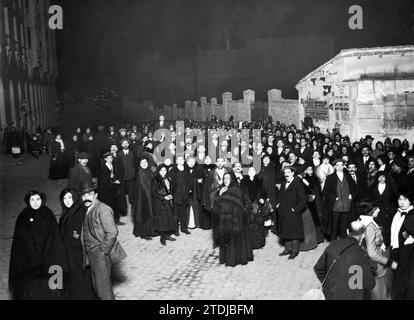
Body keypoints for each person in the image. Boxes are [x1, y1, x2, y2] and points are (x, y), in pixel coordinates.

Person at [9, 191, 68, 300]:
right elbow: (21, 242)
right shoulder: (23, 216)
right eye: (32, 199)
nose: (35, 202)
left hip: (48, 261)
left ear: (42, 201)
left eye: (38, 199)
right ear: (28, 201)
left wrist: (46, 253)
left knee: (49, 291)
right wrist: (34, 255)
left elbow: (54, 238)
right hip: (30, 263)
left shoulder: (48, 214)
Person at [81, 181, 127, 300]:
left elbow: (112, 232)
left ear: (95, 195)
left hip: (100, 254)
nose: (86, 198)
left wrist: (103, 251)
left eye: (89, 194)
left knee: (104, 290)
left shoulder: (103, 209)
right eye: (83, 195)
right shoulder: (87, 209)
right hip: (91, 254)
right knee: (97, 287)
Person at [314, 221, 376, 300]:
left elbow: (318, 268)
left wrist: (329, 283)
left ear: (347, 231)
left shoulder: (333, 244)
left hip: (330, 294)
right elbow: (370, 284)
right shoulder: (362, 254)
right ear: (363, 235)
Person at [58, 188, 97, 300]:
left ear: (75, 198)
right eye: (64, 198)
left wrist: (76, 235)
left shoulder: (81, 213)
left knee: (83, 283)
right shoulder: (65, 214)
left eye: (70, 197)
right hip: (70, 255)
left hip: (80, 255)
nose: (67, 200)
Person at [212, 173, 253, 267]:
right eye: (224, 178)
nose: (225, 180)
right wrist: (220, 194)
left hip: (236, 220)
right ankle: (227, 258)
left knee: (235, 240)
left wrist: (243, 212)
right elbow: (216, 205)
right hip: (224, 220)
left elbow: (247, 203)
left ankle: (237, 259)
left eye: (228, 178)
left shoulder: (238, 190)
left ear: (232, 179)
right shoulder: (220, 190)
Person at [357, 201, 392, 300]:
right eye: (377, 208)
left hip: (364, 261)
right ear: (371, 211)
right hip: (374, 264)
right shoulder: (369, 228)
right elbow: (372, 253)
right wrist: (388, 261)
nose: (379, 210)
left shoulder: (361, 220)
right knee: (378, 289)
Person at [275, 166, 307, 259]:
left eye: (288, 172)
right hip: (284, 211)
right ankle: (287, 249)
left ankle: (294, 251)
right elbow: (280, 196)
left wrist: (296, 209)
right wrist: (278, 205)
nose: (286, 174)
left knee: (294, 232)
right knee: (285, 231)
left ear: (293, 173)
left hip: (293, 212)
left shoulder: (298, 184)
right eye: (285, 173)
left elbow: (303, 198)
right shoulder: (283, 183)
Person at [323, 158, 357, 240]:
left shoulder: (348, 176)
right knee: (334, 225)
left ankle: (343, 242)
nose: (339, 167)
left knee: (344, 225)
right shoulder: (330, 177)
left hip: (346, 204)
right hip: (335, 205)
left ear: (344, 166)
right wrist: (334, 198)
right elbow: (325, 191)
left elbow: (354, 188)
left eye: (341, 165)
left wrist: (352, 195)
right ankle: (333, 242)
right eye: (337, 165)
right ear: (334, 166)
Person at [389, 191, 414, 299]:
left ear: (410, 201)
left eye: (405, 199)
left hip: (408, 253)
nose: (402, 202)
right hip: (396, 250)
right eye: (400, 199)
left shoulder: (412, 215)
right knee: (397, 279)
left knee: (406, 280)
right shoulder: (397, 213)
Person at [367, 172, 396, 247]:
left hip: (387, 211)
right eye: (379, 177)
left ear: (386, 178)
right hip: (376, 211)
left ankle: (385, 243)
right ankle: (375, 243)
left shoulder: (390, 187)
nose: (381, 179)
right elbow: (369, 198)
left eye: (383, 177)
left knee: (386, 228)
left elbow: (393, 200)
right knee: (376, 226)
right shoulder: (373, 187)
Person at [241, 166, 267, 250]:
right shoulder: (243, 181)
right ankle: (249, 243)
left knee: (258, 224)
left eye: (253, 171)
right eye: (250, 171)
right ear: (247, 172)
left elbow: (263, 191)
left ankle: (259, 243)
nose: (251, 172)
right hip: (247, 205)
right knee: (248, 224)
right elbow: (241, 193)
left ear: (255, 172)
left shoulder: (259, 181)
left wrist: (262, 198)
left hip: (257, 205)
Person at [151, 164, 177, 246]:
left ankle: (168, 235)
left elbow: (170, 188)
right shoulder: (155, 179)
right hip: (160, 203)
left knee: (169, 218)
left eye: (165, 170)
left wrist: (171, 194)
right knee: (163, 221)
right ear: (158, 171)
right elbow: (153, 192)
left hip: (168, 202)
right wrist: (163, 197)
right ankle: (162, 238)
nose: (163, 172)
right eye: (161, 170)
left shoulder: (168, 178)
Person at [132, 157, 155, 240]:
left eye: (145, 162)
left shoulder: (149, 171)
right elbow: (143, 187)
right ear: (139, 164)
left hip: (149, 196)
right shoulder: (140, 173)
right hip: (142, 199)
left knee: (150, 213)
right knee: (144, 215)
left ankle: (151, 231)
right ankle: (144, 233)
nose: (144, 164)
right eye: (142, 163)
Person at [97, 152, 124, 225]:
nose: (110, 159)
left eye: (111, 158)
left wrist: (116, 180)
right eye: (108, 158)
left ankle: (116, 220)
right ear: (105, 159)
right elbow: (102, 181)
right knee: (108, 206)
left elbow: (117, 175)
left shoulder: (114, 166)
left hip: (114, 190)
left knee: (116, 205)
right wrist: (111, 179)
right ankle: (109, 222)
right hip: (107, 191)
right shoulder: (102, 168)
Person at [170, 155, 192, 235]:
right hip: (176, 196)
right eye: (178, 160)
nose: (180, 161)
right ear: (176, 162)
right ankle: (175, 230)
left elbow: (190, 182)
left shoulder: (186, 170)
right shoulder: (173, 171)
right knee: (176, 214)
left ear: (183, 161)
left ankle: (184, 228)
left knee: (184, 214)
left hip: (184, 196)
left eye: (181, 160)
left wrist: (189, 190)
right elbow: (171, 184)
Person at [118, 139, 136, 206]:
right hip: (122, 176)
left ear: (128, 144)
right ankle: (123, 205)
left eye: (126, 143)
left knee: (131, 190)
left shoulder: (132, 152)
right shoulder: (119, 153)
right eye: (123, 144)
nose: (125, 145)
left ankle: (132, 203)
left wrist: (134, 172)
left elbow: (135, 163)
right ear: (121, 145)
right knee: (122, 192)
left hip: (131, 175)